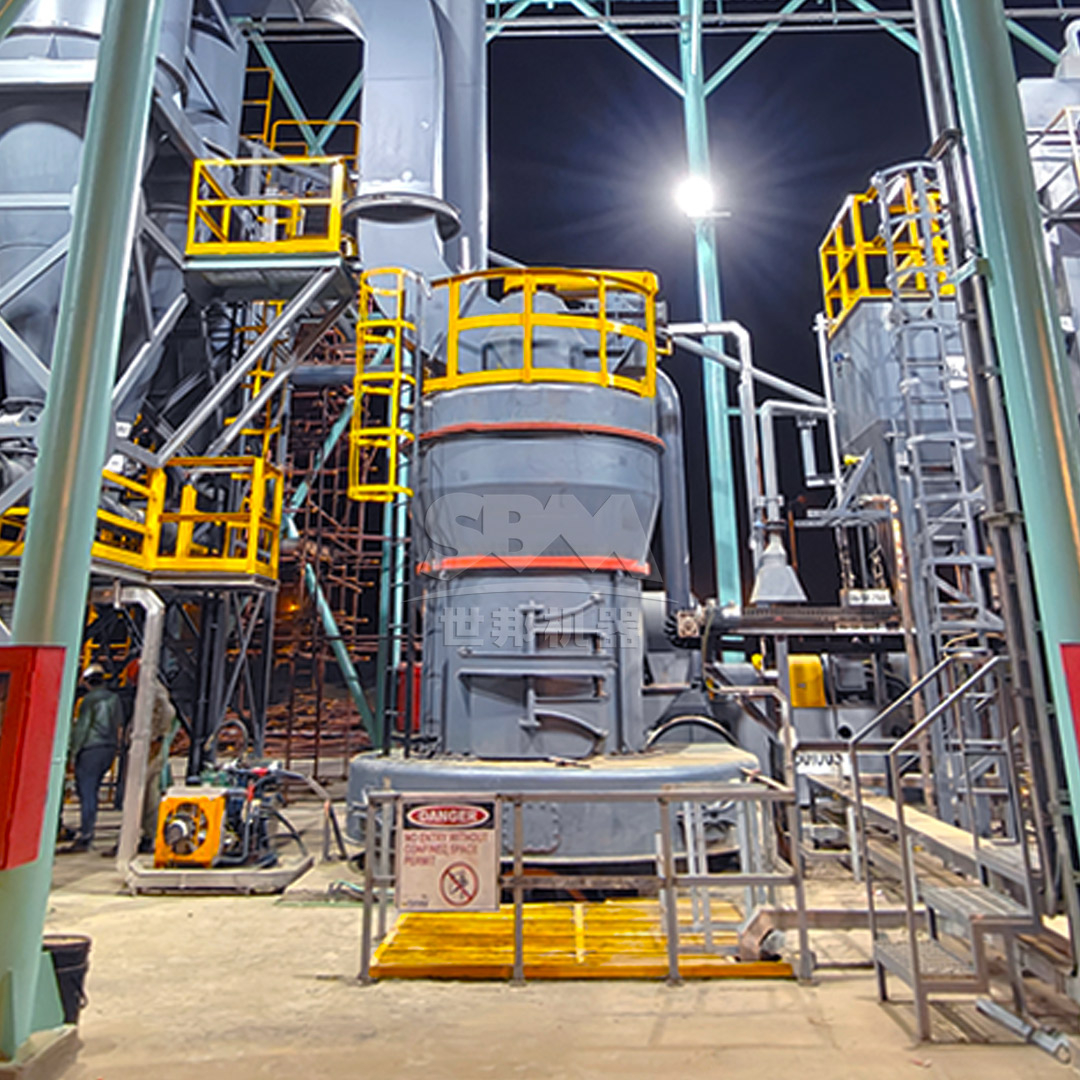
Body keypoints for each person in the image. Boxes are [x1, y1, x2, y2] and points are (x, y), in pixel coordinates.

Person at [67, 664, 123, 852]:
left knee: (87, 792)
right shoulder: (114, 699)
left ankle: (86, 834)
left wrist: (73, 754)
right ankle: (87, 830)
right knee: (95, 789)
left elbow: (83, 728)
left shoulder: (88, 701)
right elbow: (119, 726)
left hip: (90, 748)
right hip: (108, 749)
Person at [140, 670, 178, 853]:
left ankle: (150, 835)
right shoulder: (149, 689)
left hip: (151, 745)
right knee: (144, 791)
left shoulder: (153, 690)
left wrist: (158, 736)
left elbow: (168, 711)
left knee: (148, 792)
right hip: (145, 744)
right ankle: (146, 834)